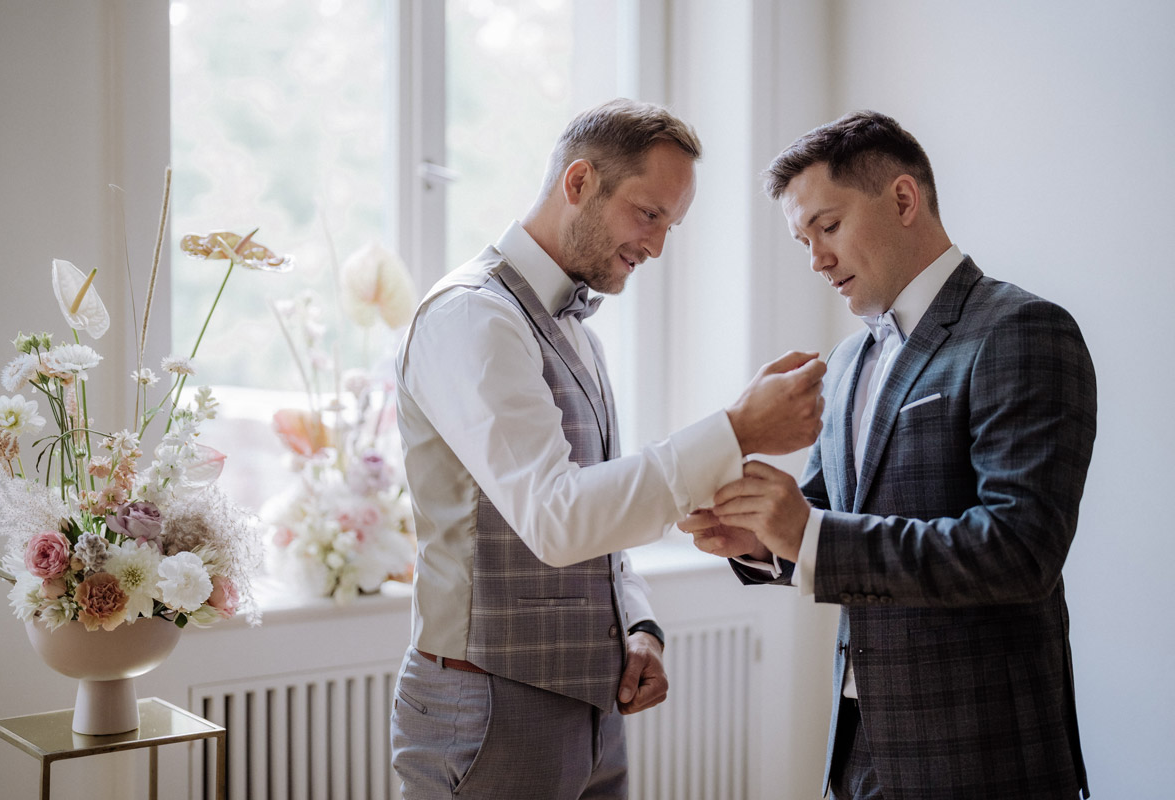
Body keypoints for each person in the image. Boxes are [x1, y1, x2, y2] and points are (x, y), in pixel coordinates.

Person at [390, 97, 826, 799]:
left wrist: (639, 624)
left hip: (592, 712)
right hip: (488, 711)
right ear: (579, 182)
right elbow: (557, 519)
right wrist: (737, 430)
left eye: (670, 226)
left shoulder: (580, 336)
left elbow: (599, 514)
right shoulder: (473, 316)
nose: (655, 246)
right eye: (647, 214)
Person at [680, 110, 1096, 800]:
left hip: (983, 755)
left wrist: (808, 534)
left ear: (903, 199)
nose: (815, 258)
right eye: (801, 239)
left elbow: (1021, 551)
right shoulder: (847, 360)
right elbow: (826, 519)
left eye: (828, 226)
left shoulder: (1023, 330)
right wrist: (759, 540)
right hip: (862, 750)